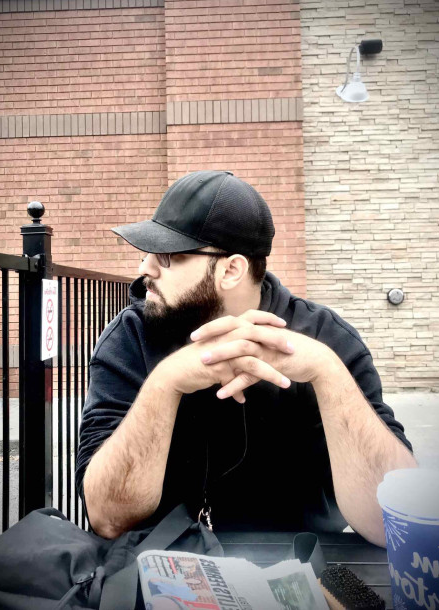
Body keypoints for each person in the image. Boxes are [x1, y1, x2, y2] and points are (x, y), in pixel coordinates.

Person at [77, 170, 417, 547]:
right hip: (159, 562)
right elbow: (107, 518)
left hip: (302, 561)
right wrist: (164, 384)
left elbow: (397, 525)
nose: (145, 268)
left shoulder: (325, 338)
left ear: (231, 270)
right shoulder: (132, 337)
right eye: (147, 253)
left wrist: (328, 373)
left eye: (168, 255)